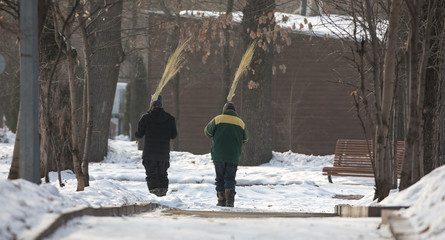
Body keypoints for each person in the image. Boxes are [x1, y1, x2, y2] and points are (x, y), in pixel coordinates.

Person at [204, 102, 248, 207]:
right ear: (234, 111)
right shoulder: (240, 123)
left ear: (225, 110)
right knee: (230, 177)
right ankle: (230, 200)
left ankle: (221, 200)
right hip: (233, 155)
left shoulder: (218, 119)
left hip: (218, 154)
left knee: (220, 177)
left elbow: (207, 132)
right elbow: (245, 138)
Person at [135, 95, 177, 197]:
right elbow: (173, 135)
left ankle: (154, 194)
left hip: (150, 153)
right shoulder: (170, 118)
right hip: (163, 154)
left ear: (151, 105)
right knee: (163, 174)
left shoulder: (146, 118)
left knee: (152, 174)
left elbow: (139, 134)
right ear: (161, 104)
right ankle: (163, 194)